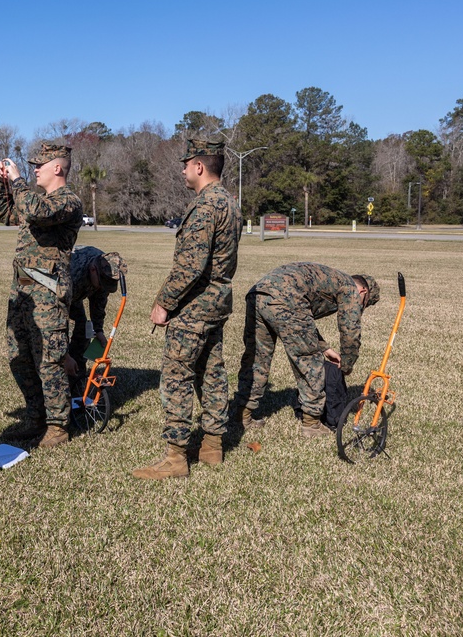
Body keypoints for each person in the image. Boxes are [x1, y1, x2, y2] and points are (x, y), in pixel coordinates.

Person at [132, 139, 242, 480]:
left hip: (195, 304)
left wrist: (163, 304)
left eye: (186, 164)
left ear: (199, 167)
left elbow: (191, 266)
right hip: (217, 301)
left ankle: (176, 457)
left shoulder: (206, 205)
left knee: (177, 375)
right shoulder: (230, 203)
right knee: (211, 370)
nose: (182, 169)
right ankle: (212, 446)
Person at [0, 142, 83, 447]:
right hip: (23, 293)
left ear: (57, 168)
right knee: (20, 359)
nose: (34, 170)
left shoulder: (68, 201)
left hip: (47, 293)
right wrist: (2, 183)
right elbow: (8, 212)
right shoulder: (35, 199)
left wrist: (18, 180)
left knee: (50, 360)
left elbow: (34, 210)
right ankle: (36, 416)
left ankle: (58, 425)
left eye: (39, 165)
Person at [231, 262, 380, 437]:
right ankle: (312, 424)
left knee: (257, 358)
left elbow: (302, 317)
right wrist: (347, 364)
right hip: (287, 298)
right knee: (309, 360)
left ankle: (242, 415)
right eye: (365, 304)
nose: (361, 308)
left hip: (258, 293)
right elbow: (350, 333)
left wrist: (325, 348)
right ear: (363, 292)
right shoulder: (351, 289)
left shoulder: (333, 279)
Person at [65, 246, 126, 396]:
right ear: (93, 270)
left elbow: (99, 302)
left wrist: (98, 330)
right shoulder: (72, 272)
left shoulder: (105, 270)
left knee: (84, 332)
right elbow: (53, 314)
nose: (102, 287)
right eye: (101, 283)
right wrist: (63, 356)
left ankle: (75, 379)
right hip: (54, 300)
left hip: (74, 298)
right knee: (56, 340)